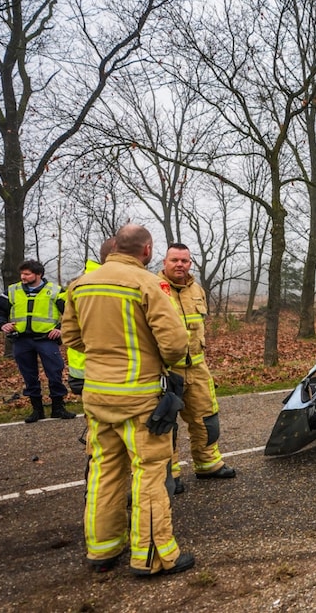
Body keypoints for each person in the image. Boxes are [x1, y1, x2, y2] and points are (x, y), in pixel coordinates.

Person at [61, 224, 195, 576]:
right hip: (140, 397)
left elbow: (72, 337)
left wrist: (105, 352)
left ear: (116, 246)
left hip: (97, 396)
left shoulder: (80, 284)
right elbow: (175, 344)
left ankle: (103, 549)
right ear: (147, 249)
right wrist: (150, 357)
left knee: (104, 471)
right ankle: (152, 556)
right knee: (149, 472)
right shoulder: (147, 284)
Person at [159, 243, 235, 494]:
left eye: (184, 260)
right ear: (164, 262)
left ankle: (208, 464)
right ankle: (170, 475)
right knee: (165, 425)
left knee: (206, 418)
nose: (180, 264)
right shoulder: (154, 289)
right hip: (166, 369)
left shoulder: (197, 290)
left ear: (190, 263)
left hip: (197, 367)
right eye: (174, 260)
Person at [0, 259, 76, 422]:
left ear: (39, 274)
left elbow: (70, 313)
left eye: (27, 274)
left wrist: (60, 328)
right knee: (29, 376)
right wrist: (3, 324)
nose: (23, 277)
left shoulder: (55, 290)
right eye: (22, 274)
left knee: (55, 373)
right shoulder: (12, 290)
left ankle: (58, 408)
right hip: (21, 340)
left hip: (46, 339)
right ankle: (37, 410)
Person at [66, 237, 117, 398]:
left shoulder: (79, 283)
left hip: (84, 365)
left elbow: (69, 332)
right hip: (101, 368)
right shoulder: (111, 283)